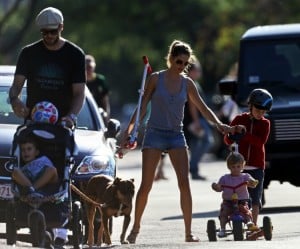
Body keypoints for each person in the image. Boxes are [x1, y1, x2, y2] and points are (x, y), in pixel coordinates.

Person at [121, 39, 235, 243]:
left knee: (185, 184)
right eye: (178, 62)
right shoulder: (156, 79)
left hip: (176, 135)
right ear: (170, 59)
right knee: (146, 185)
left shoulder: (187, 83)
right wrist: (129, 133)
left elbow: (203, 108)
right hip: (154, 133)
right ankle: (135, 228)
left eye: (185, 63)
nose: (181, 66)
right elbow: (142, 106)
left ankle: (188, 233)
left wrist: (220, 125)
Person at [9, 7, 86, 248]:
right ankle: (28, 204)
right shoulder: (29, 53)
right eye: (44, 33)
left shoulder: (74, 54)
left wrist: (71, 116)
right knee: (28, 162)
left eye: (52, 32)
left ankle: (61, 225)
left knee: (62, 164)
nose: (48, 36)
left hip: (61, 123)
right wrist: (16, 101)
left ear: (61, 28)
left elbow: (79, 92)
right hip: (34, 121)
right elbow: (16, 86)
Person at [224, 88, 273, 228]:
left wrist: (244, 134)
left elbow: (260, 142)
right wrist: (232, 134)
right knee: (239, 197)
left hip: (257, 166)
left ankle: (254, 225)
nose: (260, 114)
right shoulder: (239, 119)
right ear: (250, 106)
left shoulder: (265, 123)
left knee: (255, 198)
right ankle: (239, 221)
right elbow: (227, 140)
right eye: (258, 111)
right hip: (239, 167)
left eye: (264, 112)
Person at [211, 152, 258, 237]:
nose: (236, 169)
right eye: (233, 167)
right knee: (224, 213)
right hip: (228, 201)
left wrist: (252, 182)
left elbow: (251, 181)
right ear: (229, 167)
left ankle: (249, 223)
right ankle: (222, 229)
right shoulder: (224, 178)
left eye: (238, 166)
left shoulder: (245, 176)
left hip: (241, 201)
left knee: (245, 210)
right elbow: (219, 187)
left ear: (243, 166)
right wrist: (216, 187)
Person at [183, 55, 213, 180]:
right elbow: (192, 105)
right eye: (197, 70)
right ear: (191, 71)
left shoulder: (194, 83)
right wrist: (196, 122)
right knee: (208, 141)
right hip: (195, 120)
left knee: (196, 144)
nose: (199, 72)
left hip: (196, 120)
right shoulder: (190, 83)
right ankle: (193, 166)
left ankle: (194, 169)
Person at [85, 54, 110, 121]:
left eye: (90, 67)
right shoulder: (80, 81)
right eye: (87, 67)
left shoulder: (100, 81)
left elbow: (105, 100)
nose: (89, 70)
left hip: (98, 114)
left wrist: (106, 116)